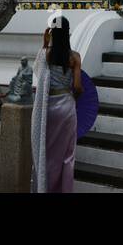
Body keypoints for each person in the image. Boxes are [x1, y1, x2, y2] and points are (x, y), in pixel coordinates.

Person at [31, 15, 82, 193]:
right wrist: (77, 94)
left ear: (52, 32)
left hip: (49, 108)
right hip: (67, 107)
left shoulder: (46, 54)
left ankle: (45, 188)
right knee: (67, 155)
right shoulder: (74, 57)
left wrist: (45, 43)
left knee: (48, 153)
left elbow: (37, 72)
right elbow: (77, 86)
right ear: (68, 33)